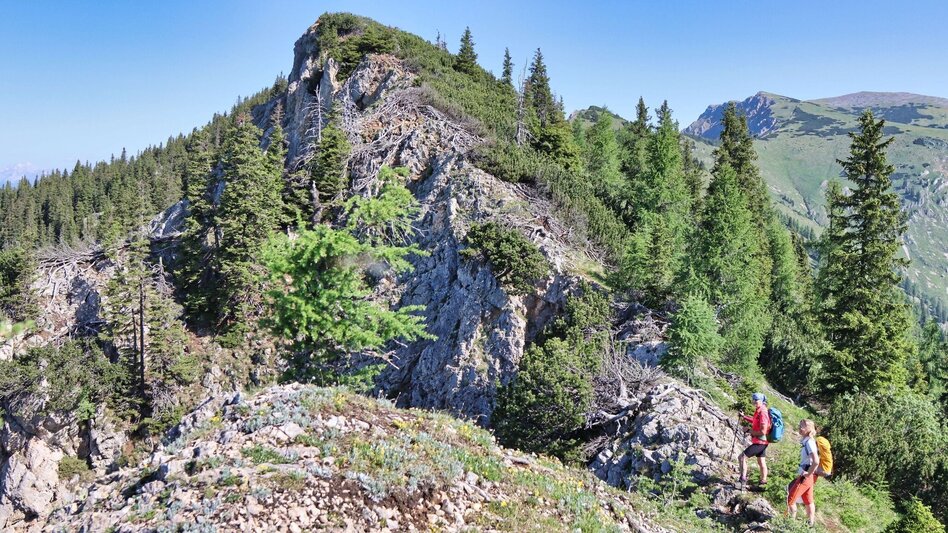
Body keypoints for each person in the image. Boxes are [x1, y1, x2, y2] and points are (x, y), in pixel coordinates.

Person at [787, 418, 820, 526]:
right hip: (809, 476)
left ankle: (790, 523)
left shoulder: (809, 442)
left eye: (802, 426)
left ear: (809, 429)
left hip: (806, 476)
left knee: (790, 498)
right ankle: (810, 524)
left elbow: (816, 461)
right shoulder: (808, 441)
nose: (799, 428)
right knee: (808, 500)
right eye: (799, 425)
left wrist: (808, 474)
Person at [738, 392, 771, 489]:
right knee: (761, 461)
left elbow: (763, 431)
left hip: (760, 442)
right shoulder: (759, 411)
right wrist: (744, 417)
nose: (754, 402)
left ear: (762, 401)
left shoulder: (763, 412)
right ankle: (763, 484)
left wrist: (748, 430)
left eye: (756, 400)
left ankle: (742, 481)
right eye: (753, 400)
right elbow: (755, 421)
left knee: (742, 457)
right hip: (763, 442)